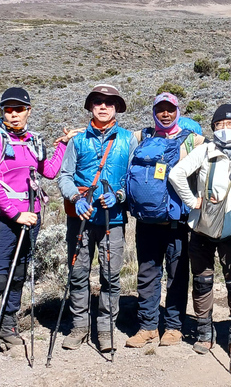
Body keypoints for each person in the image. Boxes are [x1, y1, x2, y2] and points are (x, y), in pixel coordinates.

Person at [58, 84, 137, 353]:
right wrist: (76, 199)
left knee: (111, 275)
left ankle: (105, 328)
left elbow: (131, 179)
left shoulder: (128, 139)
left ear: (116, 108)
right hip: (80, 218)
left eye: (109, 102)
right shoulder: (77, 141)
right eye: (98, 102)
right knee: (78, 273)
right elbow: (65, 176)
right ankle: (79, 326)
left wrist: (119, 195)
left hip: (112, 221)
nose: (103, 106)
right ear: (91, 106)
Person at [168, 104, 231, 360]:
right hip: (202, 228)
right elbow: (176, 173)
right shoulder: (204, 150)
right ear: (213, 127)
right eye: (220, 125)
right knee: (202, 282)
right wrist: (192, 200)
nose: (226, 129)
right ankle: (205, 332)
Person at [124, 93, 205, 348]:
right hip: (146, 222)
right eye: (160, 110)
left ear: (178, 111)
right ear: (154, 112)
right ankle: (147, 326)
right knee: (147, 275)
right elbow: (114, 135)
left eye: (170, 109)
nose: (165, 114)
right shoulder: (142, 137)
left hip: (176, 222)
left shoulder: (192, 140)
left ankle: (173, 327)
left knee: (177, 275)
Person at [0, 88, 78, 349]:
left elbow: (50, 170)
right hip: (6, 219)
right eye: (8, 110)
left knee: (19, 271)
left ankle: (7, 324)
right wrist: (14, 213)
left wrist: (63, 146)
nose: (13, 115)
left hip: (31, 218)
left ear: (28, 111)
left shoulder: (34, 140)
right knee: (1, 272)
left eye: (18, 109)